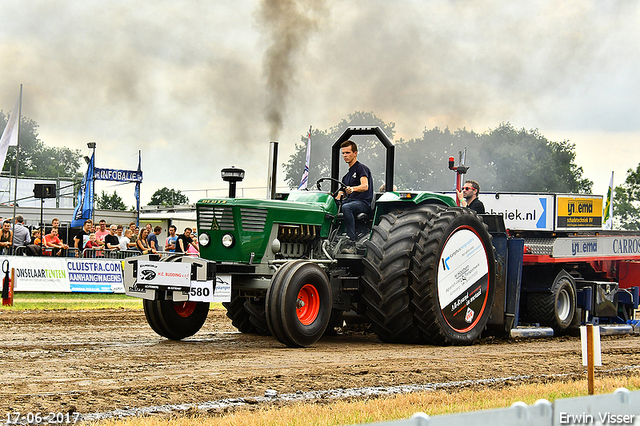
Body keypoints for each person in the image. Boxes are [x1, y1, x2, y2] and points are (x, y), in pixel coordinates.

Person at [335, 140, 373, 254]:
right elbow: (341, 193)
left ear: (355, 153)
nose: (345, 156)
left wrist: (353, 189)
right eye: (343, 153)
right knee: (333, 206)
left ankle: (352, 241)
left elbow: (365, 186)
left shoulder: (361, 168)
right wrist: (335, 198)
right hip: (350, 201)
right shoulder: (346, 177)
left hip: (363, 203)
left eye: (347, 153)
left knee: (347, 207)